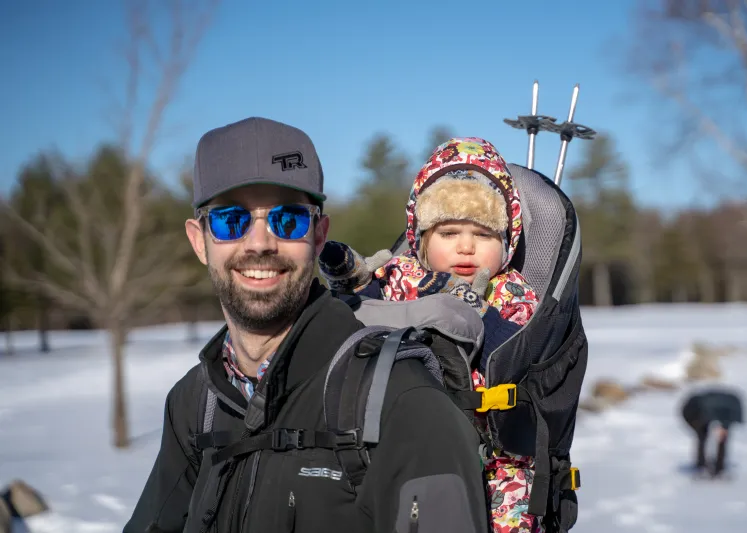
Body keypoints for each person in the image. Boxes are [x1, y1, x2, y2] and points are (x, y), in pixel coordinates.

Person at [123, 117, 489, 533]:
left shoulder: (402, 401)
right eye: (230, 220)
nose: (260, 243)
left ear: (318, 237)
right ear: (198, 239)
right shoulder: (195, 404)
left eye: (288, 220)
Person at [318, 137, 543, 532]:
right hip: (396, 435)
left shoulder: (511, 291)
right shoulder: (401, 275)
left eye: (485, 235)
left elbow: (515, 351)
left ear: (506, 243)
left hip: (488, 451)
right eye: (450, 232)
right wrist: (355, 283)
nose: (467, 247)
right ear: (421, 237)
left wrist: (474, 312)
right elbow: (357, 316)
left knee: (509, 510)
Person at [680, 386, 745, 479]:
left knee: (721, 438)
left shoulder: (733, 407)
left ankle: (718, 467)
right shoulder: (701, 406)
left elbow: (727, 424)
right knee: (703, 435)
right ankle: (702, 466)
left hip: (713, 410)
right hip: (694, 411)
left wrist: (723, 427)